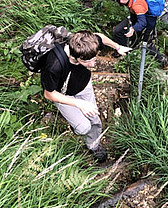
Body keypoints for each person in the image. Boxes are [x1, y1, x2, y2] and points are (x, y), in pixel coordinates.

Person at [41, 30, 130, 162]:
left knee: (94, 119)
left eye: (95, 59)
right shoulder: (54, 65)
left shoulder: (88, 44)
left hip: (83, 85)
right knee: (83, 128)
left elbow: (101, 37)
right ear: (75, 57)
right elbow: (49, 94)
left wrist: (117, 47)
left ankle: (94, 146)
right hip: (63, 94)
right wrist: (80, 104)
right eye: (88, 62)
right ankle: (77, 125)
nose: (93, 65)